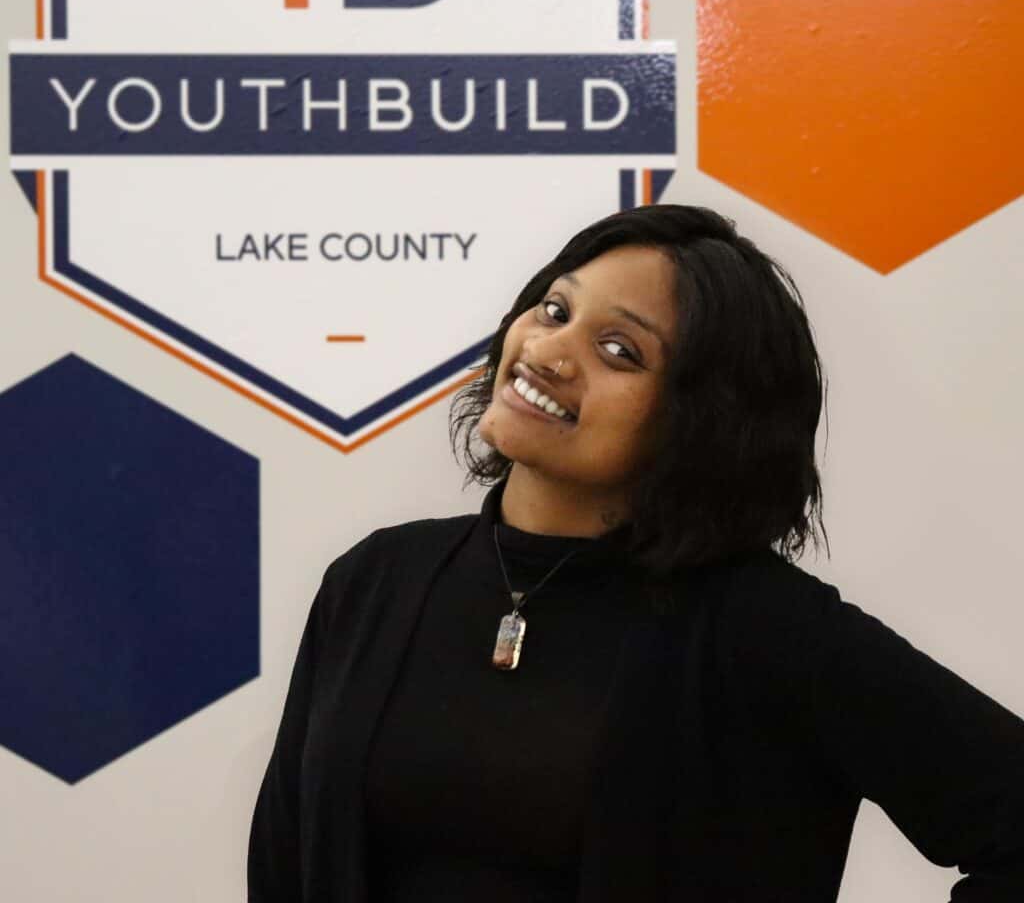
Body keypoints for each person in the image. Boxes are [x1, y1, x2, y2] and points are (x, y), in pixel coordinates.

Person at [248, 204, 1024, 902]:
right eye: (554, 309)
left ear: (702, 418)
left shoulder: (764, 630)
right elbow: (285, 864)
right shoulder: (376, 579)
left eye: (619, 350)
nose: (549, 352)